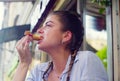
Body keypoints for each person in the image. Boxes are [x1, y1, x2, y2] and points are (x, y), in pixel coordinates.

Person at [12, 11, 108, 81]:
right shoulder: (38, 71)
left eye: (48, 25)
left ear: (66, 36)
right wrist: (23, 64)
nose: (40, 30)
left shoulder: (86, 60)